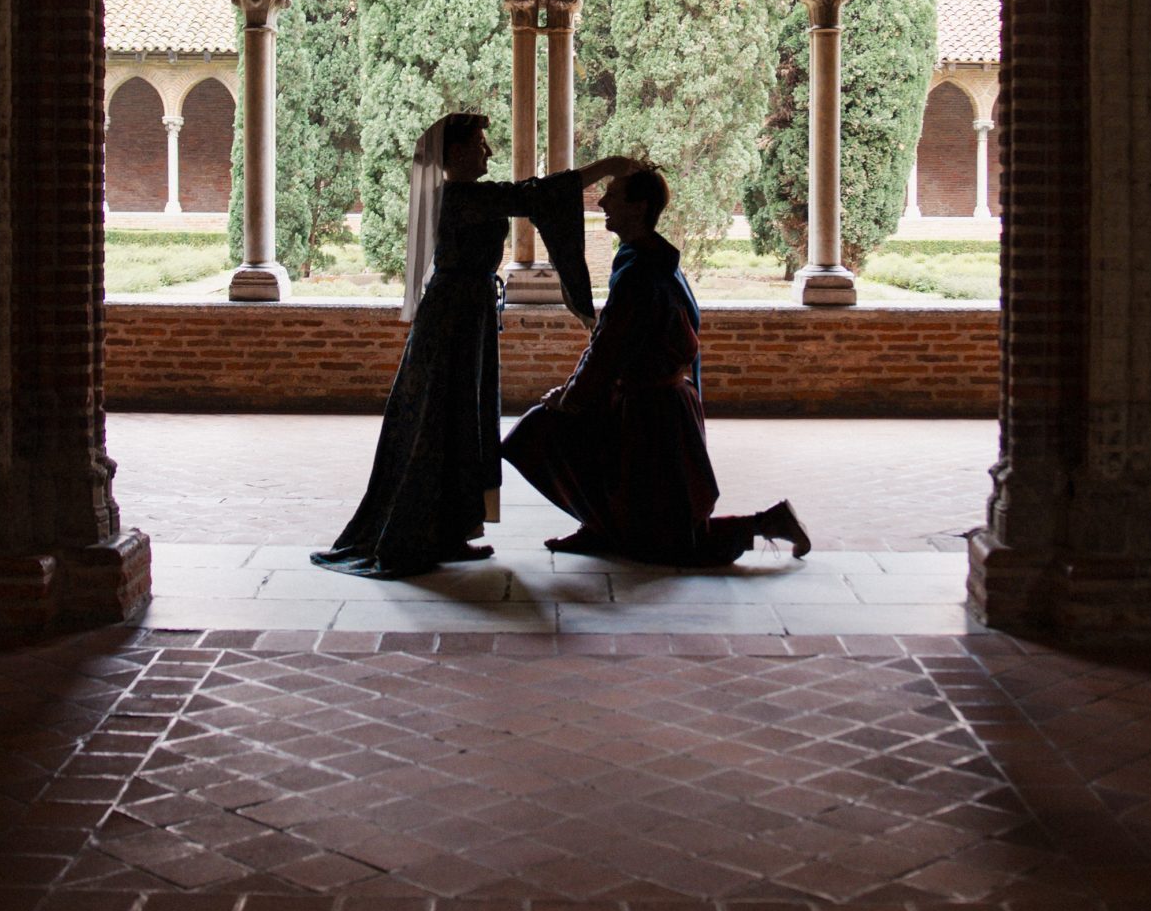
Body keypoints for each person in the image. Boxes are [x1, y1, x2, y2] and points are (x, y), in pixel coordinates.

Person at [312, 114, 637, 579]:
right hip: (453, 318)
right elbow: (535, 194)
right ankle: (423, 532)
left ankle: (448, 531)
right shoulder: (461, 197)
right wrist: (606, 167)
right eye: (481, 144)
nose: (489, 152)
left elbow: (532, 195)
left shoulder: (466, 196)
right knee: (443, 418)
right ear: (457, 152)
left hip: (466, 312)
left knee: (460, 418)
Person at [503, 164, 810, 566]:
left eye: (613, 195)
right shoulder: (649, 257)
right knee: (648, 518)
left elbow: (609, 345)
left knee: (673, 540)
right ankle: (602, 527)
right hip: (648, 401)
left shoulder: (641, 269)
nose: (601, 202)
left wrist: (572, 396)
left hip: (654, 410)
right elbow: (611, 339)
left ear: (639, 207)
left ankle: (769, 522)